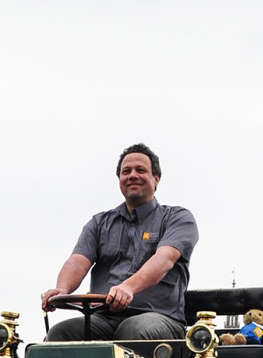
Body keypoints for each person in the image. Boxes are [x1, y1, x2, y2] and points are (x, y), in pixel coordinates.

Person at [42, 143, 198, 341]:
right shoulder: (99, 223)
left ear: (156, 179)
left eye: (141, 170)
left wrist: (128, 288)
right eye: (126, 171)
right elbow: (77, 261)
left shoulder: (177, 218)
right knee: (60, 333)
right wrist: (62, 289)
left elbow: (165, 259)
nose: (133, 175)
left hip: (160, 318)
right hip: (103, 317)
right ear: (120, 180)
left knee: (133, 329)